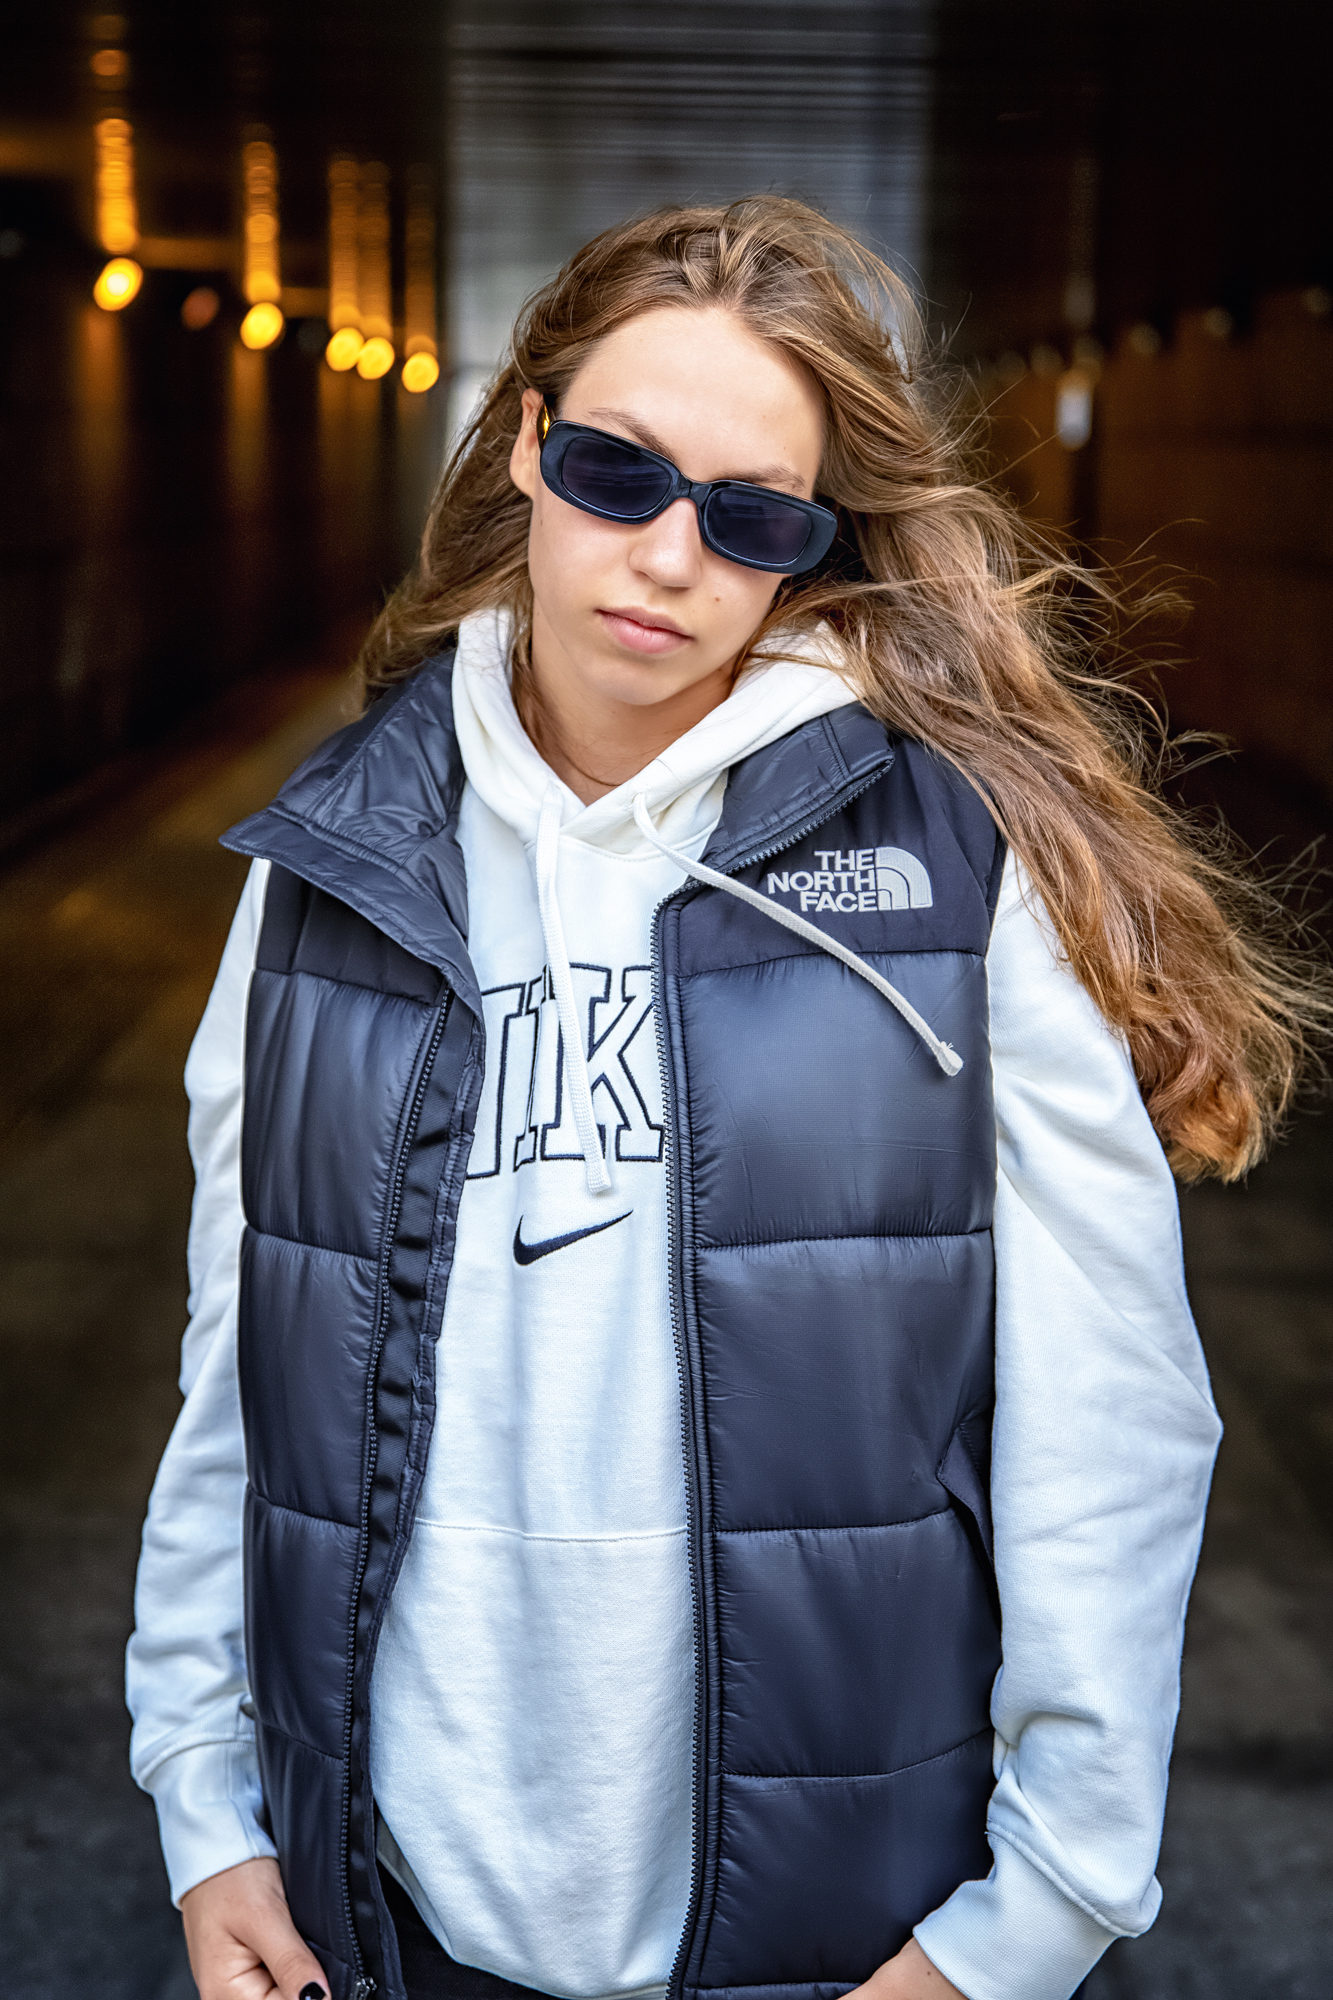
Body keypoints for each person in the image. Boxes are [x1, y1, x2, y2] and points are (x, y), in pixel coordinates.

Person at [126, 198, 1324, 2000]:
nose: (668, 555)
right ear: (527, 442)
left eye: (751, 513)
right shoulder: (332, 865)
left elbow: (1111, 1419)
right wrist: (205, 1800)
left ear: (812, 545)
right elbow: (244, 1363)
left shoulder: (948, 876)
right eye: (616, 471)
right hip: (387, 1905)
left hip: (837, 1926)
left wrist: (1038, 1913)